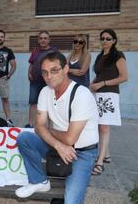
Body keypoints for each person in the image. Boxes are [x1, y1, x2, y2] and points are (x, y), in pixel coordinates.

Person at [15, 51, 99, 203]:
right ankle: (39, 181)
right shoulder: (45, 92)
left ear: (66, 69)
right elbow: (38, 126)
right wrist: (58, 145)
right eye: (45, 72)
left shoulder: (82, 95)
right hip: (57, 146)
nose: (49, 76)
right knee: (24, 138)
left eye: (54, 70)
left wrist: (48, 131)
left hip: (82, 154)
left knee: (71, 200)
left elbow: (70, 137)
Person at [90, 29, 128, 175]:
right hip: (97, 94)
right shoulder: (100, 56)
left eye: (108, 38)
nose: (105, 41)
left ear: (114, 40)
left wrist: (103, 83)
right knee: (99, 125)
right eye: (102, 38)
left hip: (109, 95)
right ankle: (106, 155)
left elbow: (124, 77)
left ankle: (99, 162)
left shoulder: (118, 55)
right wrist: (91, 85)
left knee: (104, 127)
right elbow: (99, 75)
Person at [26, 31, 58, 128]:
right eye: (41, 38)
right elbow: (31, 63)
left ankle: (49, 126)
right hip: (35, 81)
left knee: (50, 103)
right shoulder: (36, 50)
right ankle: (30, 124)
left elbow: (58, 65)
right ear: (38, 40)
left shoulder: (54, 51)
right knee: (33, 102)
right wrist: (29, 72)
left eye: (45, 38)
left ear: (49, 40)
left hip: (48, 82)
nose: (43, 40)